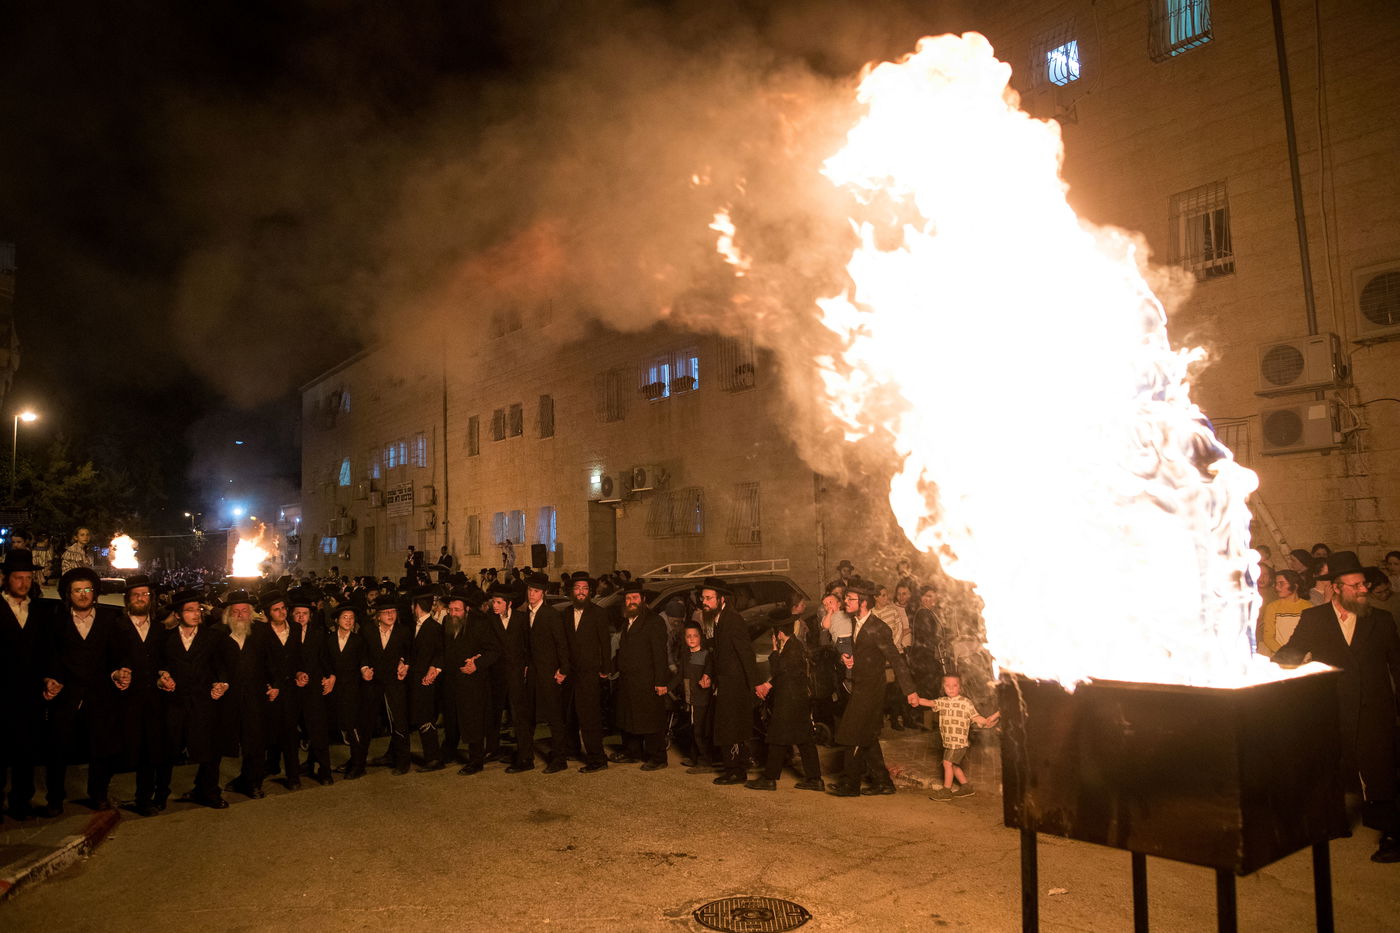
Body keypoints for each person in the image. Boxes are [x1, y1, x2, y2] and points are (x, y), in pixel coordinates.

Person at [1274, 550, 1400, 863]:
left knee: (1379, 771)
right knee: (1331, 768)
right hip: (1331, 710)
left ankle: (1393, 834)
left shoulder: (1381, 620)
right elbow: (1293, 652)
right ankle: (1333, 823)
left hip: (1375, 710)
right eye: (1355, 585)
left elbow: (1398, 666)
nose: (1363, 590)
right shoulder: (1315, 619)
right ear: (1336, 588)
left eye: (1363, 585)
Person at [42, 566, 126, 814]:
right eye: (77, 590)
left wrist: (118, 671)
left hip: (99, 696)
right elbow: (49, 655)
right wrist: (50, 678)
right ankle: (54, 800)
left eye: (87, 589)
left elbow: (117, 656)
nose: (82, 594)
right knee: (58, 750)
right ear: (68, 593)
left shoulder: (109, 621)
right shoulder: (56, 621)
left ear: (94, 592)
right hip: (66, 696)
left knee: (100, 749)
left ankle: (98, 794)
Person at [829, 580, 917, 797]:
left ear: (864, 603)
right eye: (846, 598)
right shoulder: (855, 622)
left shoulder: (878, 628)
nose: (846, 602)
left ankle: (850, 784)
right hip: (860, 686)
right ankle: (883, 783)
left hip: (871, 691)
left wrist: (910, 691)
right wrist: (847, 660)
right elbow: (862, 655)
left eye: (850, 599)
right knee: (867, 736)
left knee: (852, 733)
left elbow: (896, 660)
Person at [158, 590, 230, 809]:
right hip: (175, 702)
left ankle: (208, 791)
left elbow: (221, 666)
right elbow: (159, 665)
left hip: (203, 701)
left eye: (198, 609)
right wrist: (162, 676)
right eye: (189, 610)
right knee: (167, 750)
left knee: (209, 750)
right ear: (178, 615)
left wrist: (221, 682)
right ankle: (159, 794)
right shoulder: (166, 639)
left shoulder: (213, 637)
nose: (196, 614)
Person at [747, 611, 824, 792]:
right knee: (802, 740)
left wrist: (774, 652)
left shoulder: (791, 649)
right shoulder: (794, 645)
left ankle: (769, 779)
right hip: (797, 700)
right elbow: (785, 673)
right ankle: (814, 779)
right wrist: (769, 684)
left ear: (779, 634)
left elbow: (779, 669)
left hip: (788, 701)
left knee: (777, 738)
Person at [0, 548, 50, 820]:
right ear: (6, 579)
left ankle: (21, 801)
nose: (23, 583)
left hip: (30, 697)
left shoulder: (38, 611)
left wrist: (47, 677)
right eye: (18, 578)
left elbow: (46, 651)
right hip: (1, 695)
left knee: (26, 752)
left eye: (28, 578)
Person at [114, 575, 170, 815]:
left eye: (145, 595)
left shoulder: (159, 629)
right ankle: (100, 796)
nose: (141, 598)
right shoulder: (116, 626)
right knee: (121, 750)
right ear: (128, 599)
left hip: (153, 702)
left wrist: (164, 674)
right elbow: (108, 658)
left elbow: (163, 660)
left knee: (150, 751)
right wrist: (116, 672)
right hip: (124, 700)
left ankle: (144, 799)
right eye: (136, 595)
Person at [704, 577, 767, 786]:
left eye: (708, 598)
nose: (704, 601)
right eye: (703, 598)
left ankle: (736, 771)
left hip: (735, 684)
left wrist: (756, 683)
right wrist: (710, 675)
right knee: (726, 726)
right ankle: (733, 768)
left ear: (721, 599)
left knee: (731, 726)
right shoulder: (717, 618)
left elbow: (745, 652)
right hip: (724, 682)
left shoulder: (732, 619)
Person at [440, 587, 500, 775]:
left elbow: (493, 651)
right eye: (450, 610)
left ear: (466, 609)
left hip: (473, 681)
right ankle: (449, 751)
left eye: (457, 610)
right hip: (451, 680)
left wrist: (477, 664)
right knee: (452, 718)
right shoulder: (447, 621)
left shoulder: (479, 623)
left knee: (473, 721)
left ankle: (476, 760)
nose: (453, 613)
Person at [220, 590, 273, 798]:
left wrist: (273, 683)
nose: (241, 615)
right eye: (236, 612)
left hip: (255, 695)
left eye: (245, 611)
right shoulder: (218, 633)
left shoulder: (261, 632)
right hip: (228, 697)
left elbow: (270, 661)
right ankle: (206, 785)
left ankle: (253, 782)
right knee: (226, 740)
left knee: (255, 741)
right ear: (228, 614)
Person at [612, 581, 670, 771]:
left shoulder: (654, 621)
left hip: (648, 680)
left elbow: (660, 655)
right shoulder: (628, 620)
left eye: (635, 598)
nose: (631, 601)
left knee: (650, 719)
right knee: (629, 717)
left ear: (643, 599)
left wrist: (661, 682)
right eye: (628, 598)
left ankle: (658, 757)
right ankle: (632, 752)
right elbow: (624, 650)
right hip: (629, 680)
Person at [562, 572, 614, 773]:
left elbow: (605, 643)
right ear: (572, 591)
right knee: (570, 714)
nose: (581, 592)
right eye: (577, 588)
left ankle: (597, 758)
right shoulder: (565, 613)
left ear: (589, 592)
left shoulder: (598, 613)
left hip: (590, 673)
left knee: (589, 716)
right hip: (570, 673)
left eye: (584, 588)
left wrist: (605, 668)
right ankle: (572, 749)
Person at [919, 673, 999, 799]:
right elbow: (930, 703)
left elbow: (975, 717)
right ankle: (966, 787)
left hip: (959, 742)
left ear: (960, 687)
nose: (951, 688)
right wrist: (917, 700)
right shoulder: (943, 702)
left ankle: (946, 790)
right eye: (947, 685)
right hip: (949, 741)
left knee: (947, 764)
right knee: (954, 765)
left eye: (955, 685)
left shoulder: (965, 703)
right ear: (943, 687)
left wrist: (985, 721)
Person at [523, 572, 570, 773]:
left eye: (535, 591)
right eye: (530, 590)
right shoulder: (526, 614)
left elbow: (562, 644)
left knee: (554, 717)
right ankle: (525, 758)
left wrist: (564, 670)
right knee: (529, 716)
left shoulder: (551, 615)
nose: (532, 594)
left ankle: (560, 759)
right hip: (533, 674)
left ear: (543, 593)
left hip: (550, 673)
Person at [290, 589, 335, 785]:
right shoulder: (285, 633)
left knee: (318, 730)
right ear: (292, 615)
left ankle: (324, 770)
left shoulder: (318, 634)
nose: (301, 617)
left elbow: (325, 658)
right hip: (291, 688)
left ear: (310, 616)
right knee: (290, 731)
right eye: (298, 613)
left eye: (305, 614)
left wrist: (331, 676)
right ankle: (294, 773)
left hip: (313, 688)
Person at [260, 591, 304, 790]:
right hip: (271, 689)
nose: (281, 612)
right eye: (276, 610)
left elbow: (297, 657)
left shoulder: (295, 628)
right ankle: (271, 765)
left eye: (283, 608)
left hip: (291, 690)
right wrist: (270, 684)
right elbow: (261, 661)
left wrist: (300, 673)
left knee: (290, 732)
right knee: (270, 729)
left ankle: (293, 776)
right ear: (268, 613)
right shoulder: (262, 632)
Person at [363, 599, 412, 774]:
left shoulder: (403, 631)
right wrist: (364, 668)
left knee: (399, 722)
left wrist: (404, 663)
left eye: (393, 611)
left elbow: (409, 652)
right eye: (386, 612)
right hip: (373, 683)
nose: (390, 615)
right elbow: (363, 654)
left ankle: (402, 762)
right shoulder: (368, 631)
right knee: (366, 722)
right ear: (378, 616)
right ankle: (358, 762)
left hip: (394, 683)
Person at [326, 603, 371, 780]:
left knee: (353, 727)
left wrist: (365, 670)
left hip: (353, 689)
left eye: (351, 618)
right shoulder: (329, 640)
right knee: (340, 725)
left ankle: (359, 765)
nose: (349, 621)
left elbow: (364, 661)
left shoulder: (358, 641)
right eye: (345, 617)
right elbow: (325, 660)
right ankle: (353, 761)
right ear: (337, 620)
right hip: (334, 688)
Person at [405, 588, 446, 771]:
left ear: (416, 607)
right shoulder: (412, 627)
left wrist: (434, 670)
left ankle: (433, 758)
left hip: (425, 681)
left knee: (425, 717)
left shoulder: (434, 628)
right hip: (412, 680)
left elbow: (441, 653)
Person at [676, 622, 714, 772]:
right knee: (693, 728)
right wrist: (666, 688)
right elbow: (680, 676)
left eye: (695, 636)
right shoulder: (686, 655)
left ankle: (705, 761)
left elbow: (710, 670)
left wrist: (708, 676)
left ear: (701, 637)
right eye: (688, 636)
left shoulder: (705, 655)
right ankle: (694, 757)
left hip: (701, 699)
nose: (691, 639)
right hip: (690, 697)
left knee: (700, 729)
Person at [1256, 569, 1310, 659]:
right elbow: (1268, 637)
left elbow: (1309, 636)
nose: (1277, 587)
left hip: (1302, 658)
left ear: (1295, 585)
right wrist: (1284, 654)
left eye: (1281, 583)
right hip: (1279, 657)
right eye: (1276, 584)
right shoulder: (1272, 607)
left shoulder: (1308, 607)